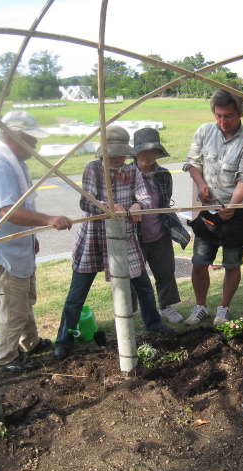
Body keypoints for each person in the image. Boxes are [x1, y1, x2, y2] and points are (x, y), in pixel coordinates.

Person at [54, 125, 174, 361]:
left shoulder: (132, 171)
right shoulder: (93, 169)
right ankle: (64, 340)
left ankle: (154, 324)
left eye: (123, 154)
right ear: (105, 153)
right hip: (94, 238)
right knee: (77, 295)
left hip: (123, 238)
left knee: (144, 287)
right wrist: (110, 207)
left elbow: (146, 198)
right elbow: (86, 203)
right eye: (115, 154)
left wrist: (138, 206)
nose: (120, 159)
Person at [0, 110, 73, 372]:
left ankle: (30, 342)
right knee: (12, 307)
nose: (35, 145)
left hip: (18, 247)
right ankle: (6, 357)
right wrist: (48, 219)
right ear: (14, 138)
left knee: (23, 300)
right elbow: (7, 211)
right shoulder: (0, 166)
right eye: (31, 140)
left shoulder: (15, 163)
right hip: (4, 252)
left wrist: (31, 236)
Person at [183, 88, 243, 326]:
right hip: (208, 210)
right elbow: (192, 163)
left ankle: (224, 308)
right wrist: (201, 184)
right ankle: (200, 306)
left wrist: (233, 205)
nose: (222, 121)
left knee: (232, 263)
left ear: (241, 113)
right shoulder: (205, 132)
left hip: (237, 212)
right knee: (199, 262)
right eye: (218, 115)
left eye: (228, 116)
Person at [133, 128, 191, 324]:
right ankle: (130, 309)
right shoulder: (126, 174)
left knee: (166, 272)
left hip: (160, 233)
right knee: (132, 276)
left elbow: (165, 203)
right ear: (135, 152)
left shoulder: (164, 175)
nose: (149, 156)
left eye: (153, 151)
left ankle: (166, 306)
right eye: (144, 151)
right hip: (134, 236)